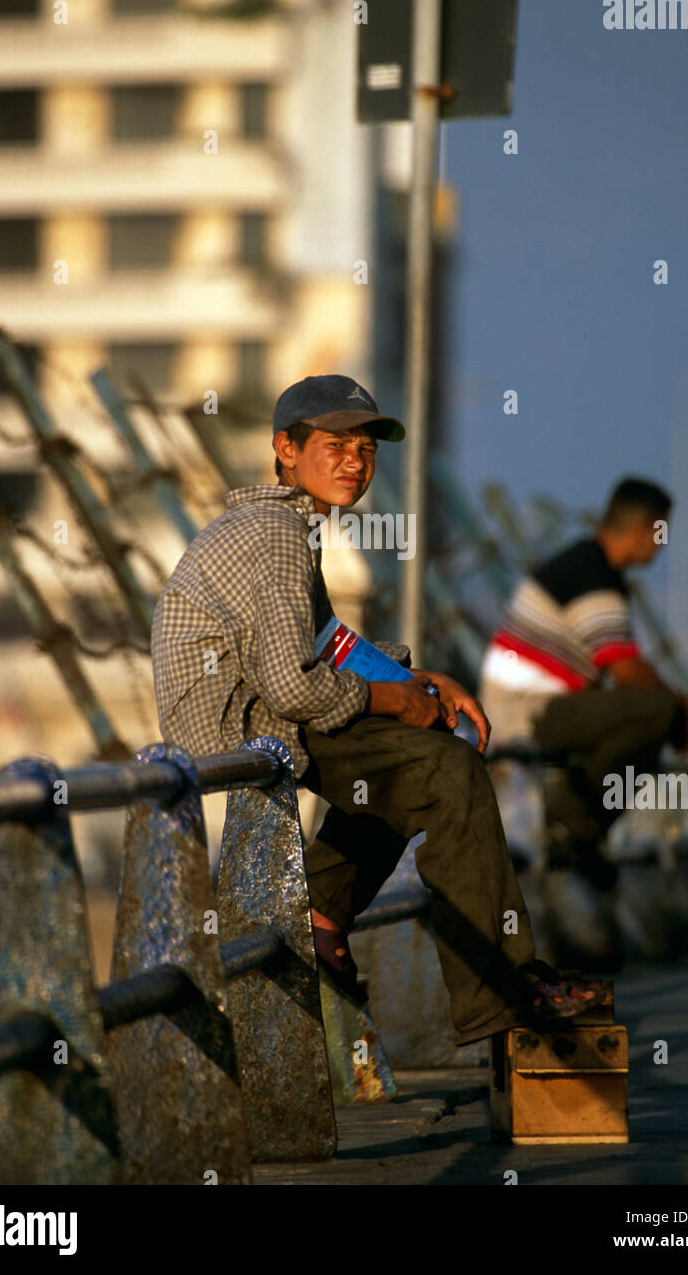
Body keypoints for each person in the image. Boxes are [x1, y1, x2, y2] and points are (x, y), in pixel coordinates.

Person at [150, 373, 605, 1045]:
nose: (355, 463)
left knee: (415, 768)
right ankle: (501, 992)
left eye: (365, 450)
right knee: (444, 773)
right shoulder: (276, 532)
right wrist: (394, 698)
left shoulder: (285, 527)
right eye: (335, 446)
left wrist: (416, 680)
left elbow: (329, 645)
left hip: (254, 710)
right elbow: (291, 687)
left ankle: (323, 911)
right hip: (240, 722)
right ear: (285, 449)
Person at [479, 477, 688, 908]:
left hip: (546, 706)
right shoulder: (592, 572)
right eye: (661, 531)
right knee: (656, 711)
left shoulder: (592, 568)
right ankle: (571, 824)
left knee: (652, 724)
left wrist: (678, 717)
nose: (662, 544)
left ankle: (578, 830)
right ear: (642, 528)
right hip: (528, 711)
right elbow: (625, 668)